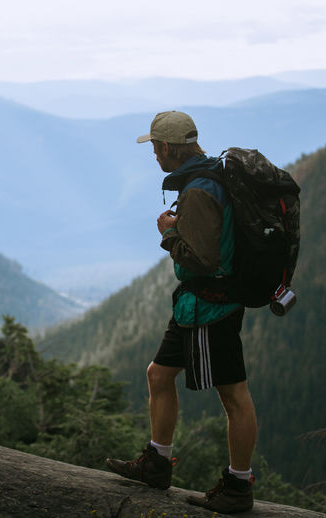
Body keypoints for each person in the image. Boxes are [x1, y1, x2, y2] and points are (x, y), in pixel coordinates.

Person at [105, 111, 257, 514]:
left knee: (234, 396)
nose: (154, 156)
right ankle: (157, 463)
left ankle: (239, 486)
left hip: (211, 306)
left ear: (168, 148)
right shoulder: (211, 174)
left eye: (155, 148)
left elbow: (203, 258)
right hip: (194, 303)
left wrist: (168, 233)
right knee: (158, 374)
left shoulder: (198, 191)